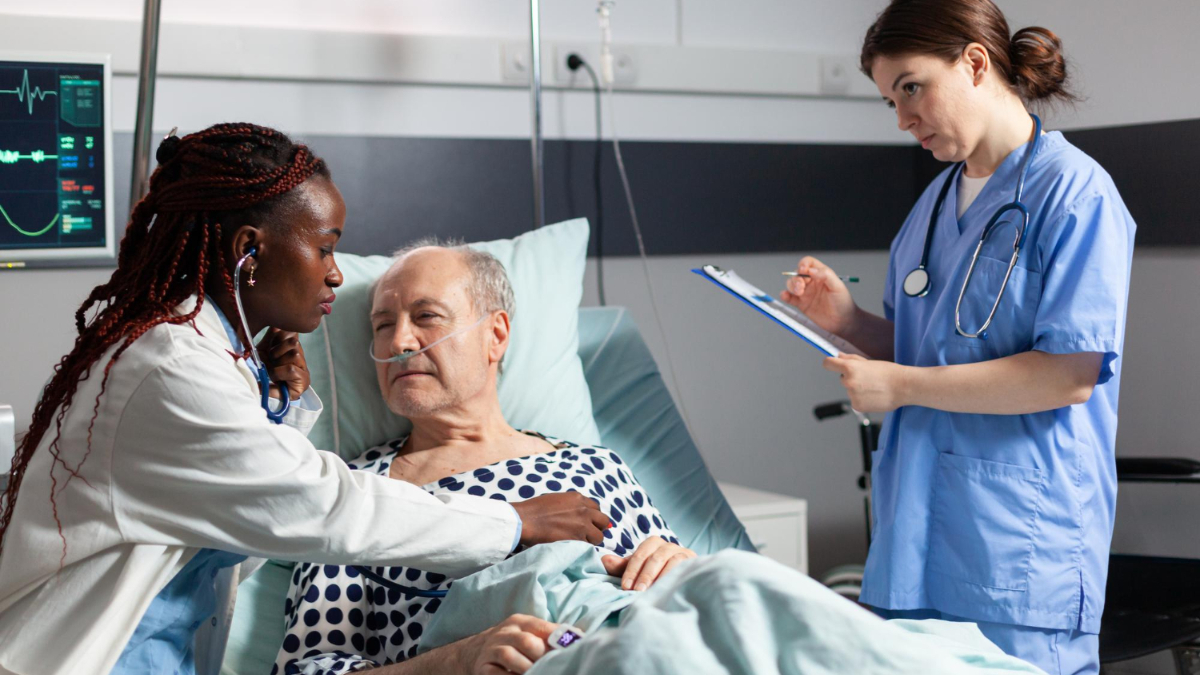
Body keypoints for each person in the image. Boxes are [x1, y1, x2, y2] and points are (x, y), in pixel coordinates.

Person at [0, 124, 606, 675]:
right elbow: (321, 507)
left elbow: (245, 491)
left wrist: (280, 405)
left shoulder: (207, 358)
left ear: (499, 334)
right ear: (249, 252)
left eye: (429, 317)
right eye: (324, 247)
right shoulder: (171, 365)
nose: (337, 274)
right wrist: (512, 523)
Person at [780, 2, 1135, 674]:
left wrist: (901, 385)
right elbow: (934, 354)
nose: (902, 118)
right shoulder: (934, 204)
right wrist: (850, 322)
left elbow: (1068, 375)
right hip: (912, 539)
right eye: (889, 100)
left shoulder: (1077, 196)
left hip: (1016, 550)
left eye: (911, 87)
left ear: (975, 62)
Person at [273, 240, 694, 675]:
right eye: (382, 325)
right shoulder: (353, 491)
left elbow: (688, 604)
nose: (399, 341)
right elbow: (310, 668)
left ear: (495, 335)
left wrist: (687, 573)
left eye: (426, 316)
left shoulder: (598, 467)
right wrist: (457, 660)